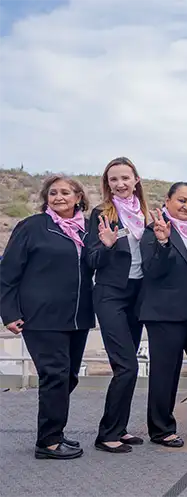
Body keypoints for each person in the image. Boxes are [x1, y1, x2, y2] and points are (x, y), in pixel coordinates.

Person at [0, 176, 94, 460]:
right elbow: (7, 272)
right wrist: (9, 312)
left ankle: (55, 430)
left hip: (78, 317)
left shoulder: (88, 230)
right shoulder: (31, 227)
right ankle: (48, 441)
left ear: (79, 197)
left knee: (69, 377)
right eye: (53, 193)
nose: (58, 197)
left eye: (66, 192)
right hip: (41, 316)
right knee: (54, 375)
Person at [140, 182, 187, 447]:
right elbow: (153, 269)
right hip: (166, 310)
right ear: (168, 200)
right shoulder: (155, 230)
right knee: (166, 370)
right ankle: (161, 429)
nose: (186, 207)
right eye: (181, 201)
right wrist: (162, 241)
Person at [87, 157, 150, 453]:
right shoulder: (102, 214)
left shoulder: (148, 214)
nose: (120, 184)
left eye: (125, 178)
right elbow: (91, 259)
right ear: (107, 184)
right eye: (114, 180)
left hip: (138, 294)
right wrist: (108, 246)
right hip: (111, 294)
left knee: (127, 366)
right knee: (127, 366)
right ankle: (107, 434)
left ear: (136, 180)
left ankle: (119, 428)